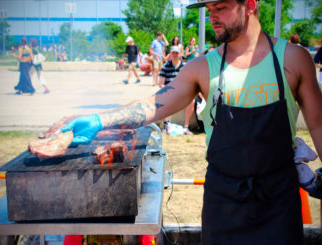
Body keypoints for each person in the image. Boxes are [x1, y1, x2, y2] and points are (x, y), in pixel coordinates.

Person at [61, 0, 322, 244]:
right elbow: (153, 104)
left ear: (250, 5)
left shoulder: (293, 59)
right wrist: (100, 119)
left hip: (279, 203)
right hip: (223, 204)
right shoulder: (202, 67)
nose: (212, 17)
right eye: (209, 9)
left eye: (220, 7)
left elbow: (319, 125)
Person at [158, 46, 192, 134]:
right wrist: (167, 89)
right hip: (169, 91)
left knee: (192, 100)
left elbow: (189, 81)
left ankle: (186, 127)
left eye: (176, 53)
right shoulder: (165, 66)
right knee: (161, 98)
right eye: (173, 53)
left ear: (180, 54)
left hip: (182, 91)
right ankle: (165, 124)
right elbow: (161, 83)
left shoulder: (185, 66)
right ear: (170, 54)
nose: (174, 55)